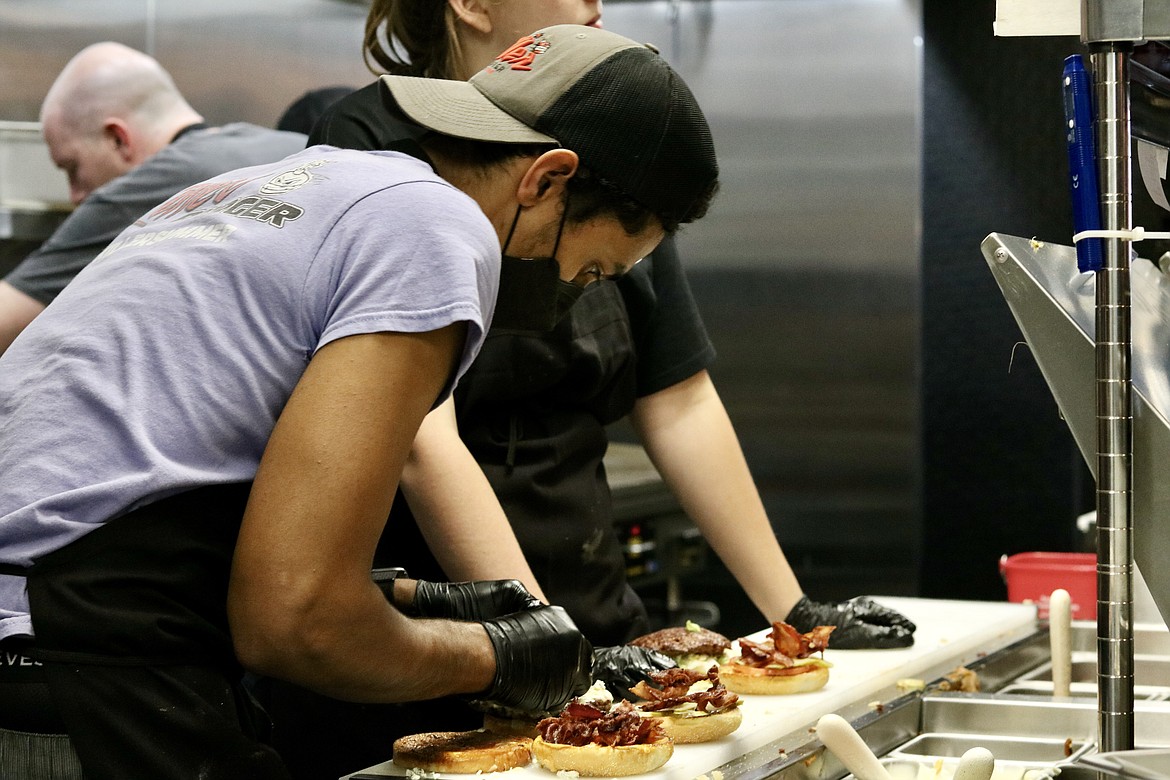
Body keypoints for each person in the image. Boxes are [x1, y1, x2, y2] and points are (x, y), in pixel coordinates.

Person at [0, 25, 718, 780]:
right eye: (593, 268)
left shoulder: (295, 183)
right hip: (67, 668)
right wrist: (497, 658)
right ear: (546, 179)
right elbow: (294, 621)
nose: (574, 292)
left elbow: (143, 487)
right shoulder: (437, 232)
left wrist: (425, 597)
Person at [310, 0, 919, 651]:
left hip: (588, 608)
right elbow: (422, 441)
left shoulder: (617, 141)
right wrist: (545, 646)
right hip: (424, 634)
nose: (597, 3)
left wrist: (794, 612)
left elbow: (679, 398)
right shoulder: (380, 143)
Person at [0, 41, 308, 354]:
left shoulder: (143, 191)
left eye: (72, 167)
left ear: (119, 140)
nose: (75, 195)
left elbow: (5, 321)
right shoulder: (299, 148)